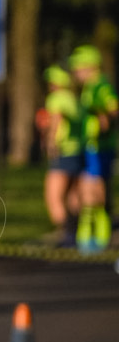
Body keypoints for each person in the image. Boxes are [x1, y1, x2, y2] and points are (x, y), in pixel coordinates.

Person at [70, 45, 117, 253]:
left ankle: (96, 238)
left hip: (98, 147)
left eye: (78, 68)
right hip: (92, 146)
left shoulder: (100, 86)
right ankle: (91, 236)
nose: (76, 73)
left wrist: (103, 120)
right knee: (89, 188)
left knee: (93, 190)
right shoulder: (91, 86)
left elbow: (113, 108)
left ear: (90, 67)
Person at [41, 64, 82, 247]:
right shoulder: (74, 98)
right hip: (79, 150)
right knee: (73, 193)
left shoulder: (56, 98)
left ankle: (64, 232)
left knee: (53, 194)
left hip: (63, 150)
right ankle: (76, 231)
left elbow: (56, 119)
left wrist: (51, 142)